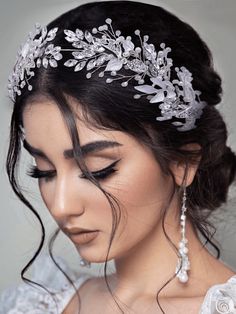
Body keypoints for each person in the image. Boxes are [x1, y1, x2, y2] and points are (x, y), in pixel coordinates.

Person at [1, 1, 236, 313]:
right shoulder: (32, 304)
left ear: (184, 161)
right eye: (44, 171)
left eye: (98, 170)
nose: (60, 206)